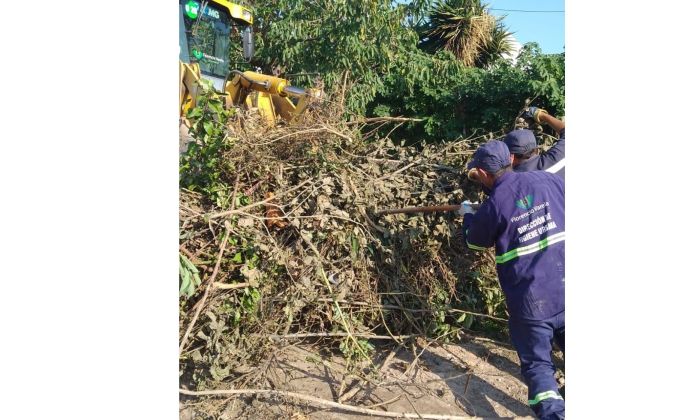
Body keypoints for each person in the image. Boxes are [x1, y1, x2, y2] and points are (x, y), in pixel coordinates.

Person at [458, 140, 565, 420]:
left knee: (539, 367)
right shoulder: (549, 181)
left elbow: (475, 244)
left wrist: (468, 216)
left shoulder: (493, 206)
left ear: (482, 174)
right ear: (511, 159)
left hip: (531, 302)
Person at [503, 107, 565, 180]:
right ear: (537, 150)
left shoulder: (513, 182)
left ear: (511, 158)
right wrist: (540, 115)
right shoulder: (558, 157)